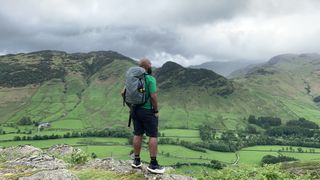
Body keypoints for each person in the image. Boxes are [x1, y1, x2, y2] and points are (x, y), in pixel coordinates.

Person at [122, 58, 164, 174]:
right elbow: (153, 96)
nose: (151, 66)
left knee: (138, 134)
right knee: (153, 135)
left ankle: (136, 161)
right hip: (147, 111)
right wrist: (155, 110)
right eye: (150, 64)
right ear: (148, 66)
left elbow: (122, 93)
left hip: (135, 110)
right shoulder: (150, 78)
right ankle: (153, 164)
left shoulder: (133, 78)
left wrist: (131, 107)